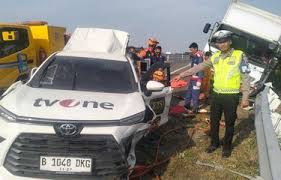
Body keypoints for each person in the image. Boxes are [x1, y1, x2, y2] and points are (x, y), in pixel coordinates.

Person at [174, 30, 251, 158]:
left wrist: (245, 97)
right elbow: (199, 67)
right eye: (219, 42)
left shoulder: (239, 55)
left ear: (230, 41)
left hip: (231, 96)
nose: (222, 45)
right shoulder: (215, 56)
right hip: (216, 95)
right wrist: (182, 74)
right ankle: (214, 143)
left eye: (224, 41)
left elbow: (246, 77)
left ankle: (226, 147)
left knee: (230, 123)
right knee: (214, 122)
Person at [184, 42, 204, 113]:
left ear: (195, 49)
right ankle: (186, 105)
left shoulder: (199, 56)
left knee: (195, 95)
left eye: (192, 49)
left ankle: (195, 108)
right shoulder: (194, 56)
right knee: (188, 93)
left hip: (196, 80)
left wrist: (199, 80)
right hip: (192, 78)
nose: (191, 51)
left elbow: (201, 68)